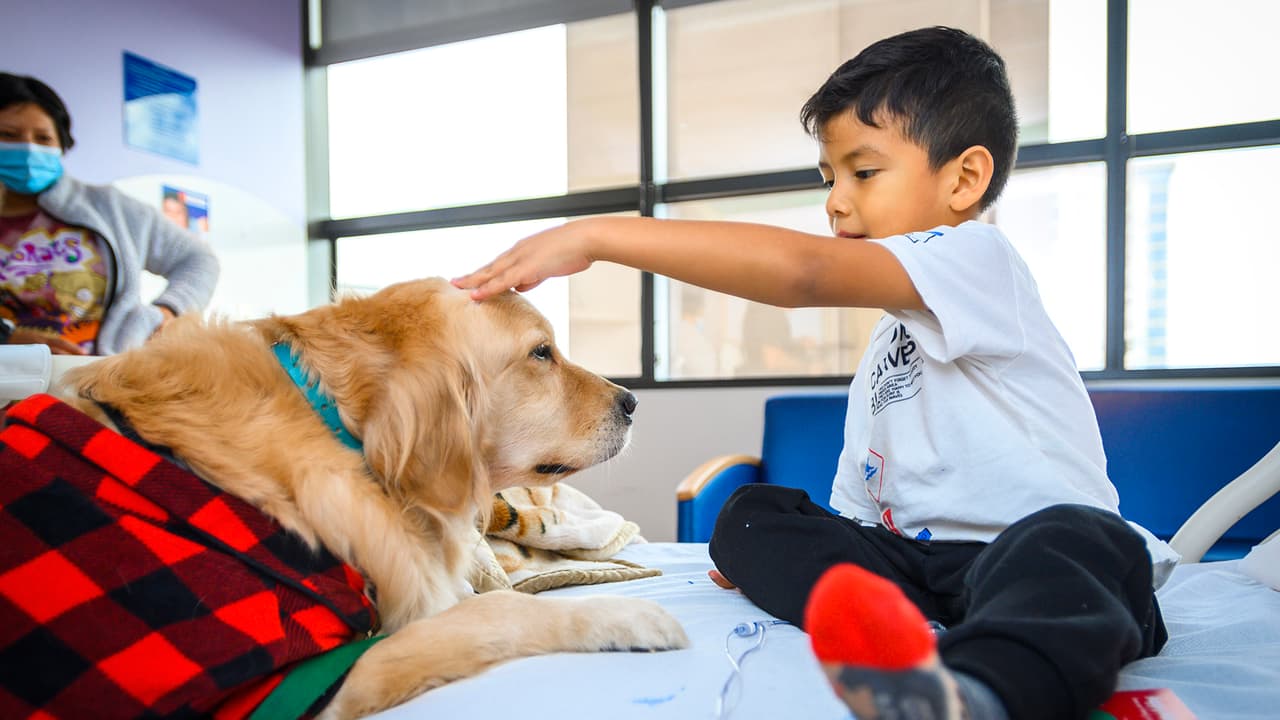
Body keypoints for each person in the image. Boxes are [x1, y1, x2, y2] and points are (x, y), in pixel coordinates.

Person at [453, 26, 1173, 720]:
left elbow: (802, 273)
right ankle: (879, 624)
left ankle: (977, 692)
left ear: (965, 179)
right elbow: (859, 504)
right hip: (919, 572)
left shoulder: (981, 259)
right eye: (830, 178)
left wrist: (596, 235)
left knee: (1081, 544)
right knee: (751, 515)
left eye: (864, 172)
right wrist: (784, 552)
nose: (835, 200)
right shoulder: (889, 342)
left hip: (1025, 550)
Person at [0, 72, 219, 355]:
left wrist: (169, 311)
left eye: (44, 138)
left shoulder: (110, 208)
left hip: (95, 376)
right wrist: (7, 339)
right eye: (8, 135)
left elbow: (198, 259)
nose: (29, 149)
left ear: (61, 144)